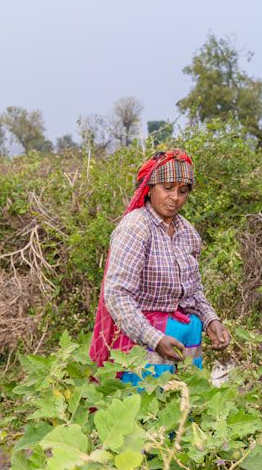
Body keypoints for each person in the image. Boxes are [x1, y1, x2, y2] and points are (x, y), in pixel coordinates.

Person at [89, 149, 230, 381]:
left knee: (182, 407)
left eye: (183, 191)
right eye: (167, 188)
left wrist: (210, 320)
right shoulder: (135, 228)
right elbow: (116, 295)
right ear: (150, 188)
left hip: (183, 340)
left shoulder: (187, 232)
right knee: (143, 409)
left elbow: (193, 292)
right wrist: (153, 338)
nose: (175, 197)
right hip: (143, 342)